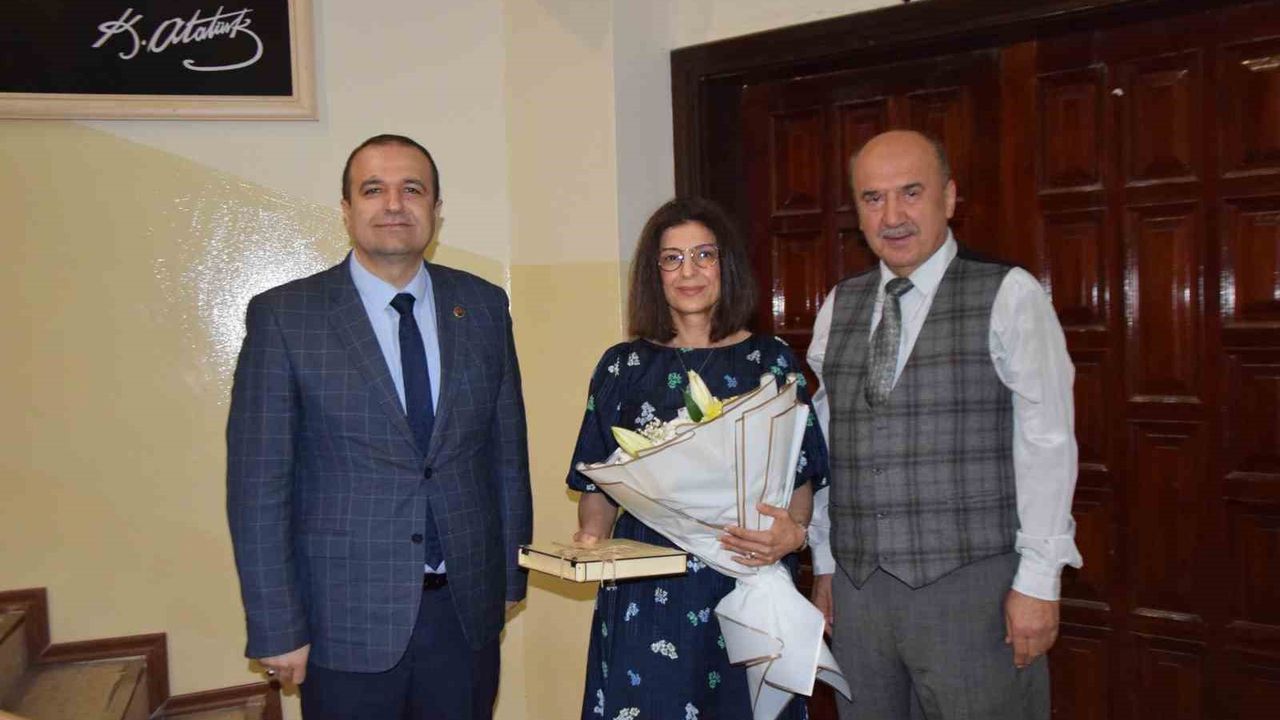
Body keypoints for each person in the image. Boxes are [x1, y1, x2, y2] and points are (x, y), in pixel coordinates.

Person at [226, 134, 532, 720]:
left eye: (412, 189)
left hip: (464, 613)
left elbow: (507, 456)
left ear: (436, 209)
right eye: (373, 190)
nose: (394, 204)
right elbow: (258, 486)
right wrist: (276, 624)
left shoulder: (484, 306)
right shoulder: (286, 317)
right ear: (347, 209)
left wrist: (509, 580)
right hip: (342, 624)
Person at [806, 129, 1082, 719]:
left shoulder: (1009, 294)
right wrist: (825, 563)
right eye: (873, 198)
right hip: (859, 593)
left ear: (949, 197)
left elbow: (1048, 443)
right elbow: (827, 449)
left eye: (911, 192)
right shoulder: (838, 305)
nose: (893, 216)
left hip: (974, 591)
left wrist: (1039, 581)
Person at [567, 197, 828, 719]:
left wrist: (792, 534)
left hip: (744, 578)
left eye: (704, 255)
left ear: (726, 265)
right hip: (648, 590)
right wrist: (591, 538)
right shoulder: (622, 367)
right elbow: (597, 484)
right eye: (672, 259)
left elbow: (799, 479)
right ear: (654, 273)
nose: (689, 272)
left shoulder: (771, 361)